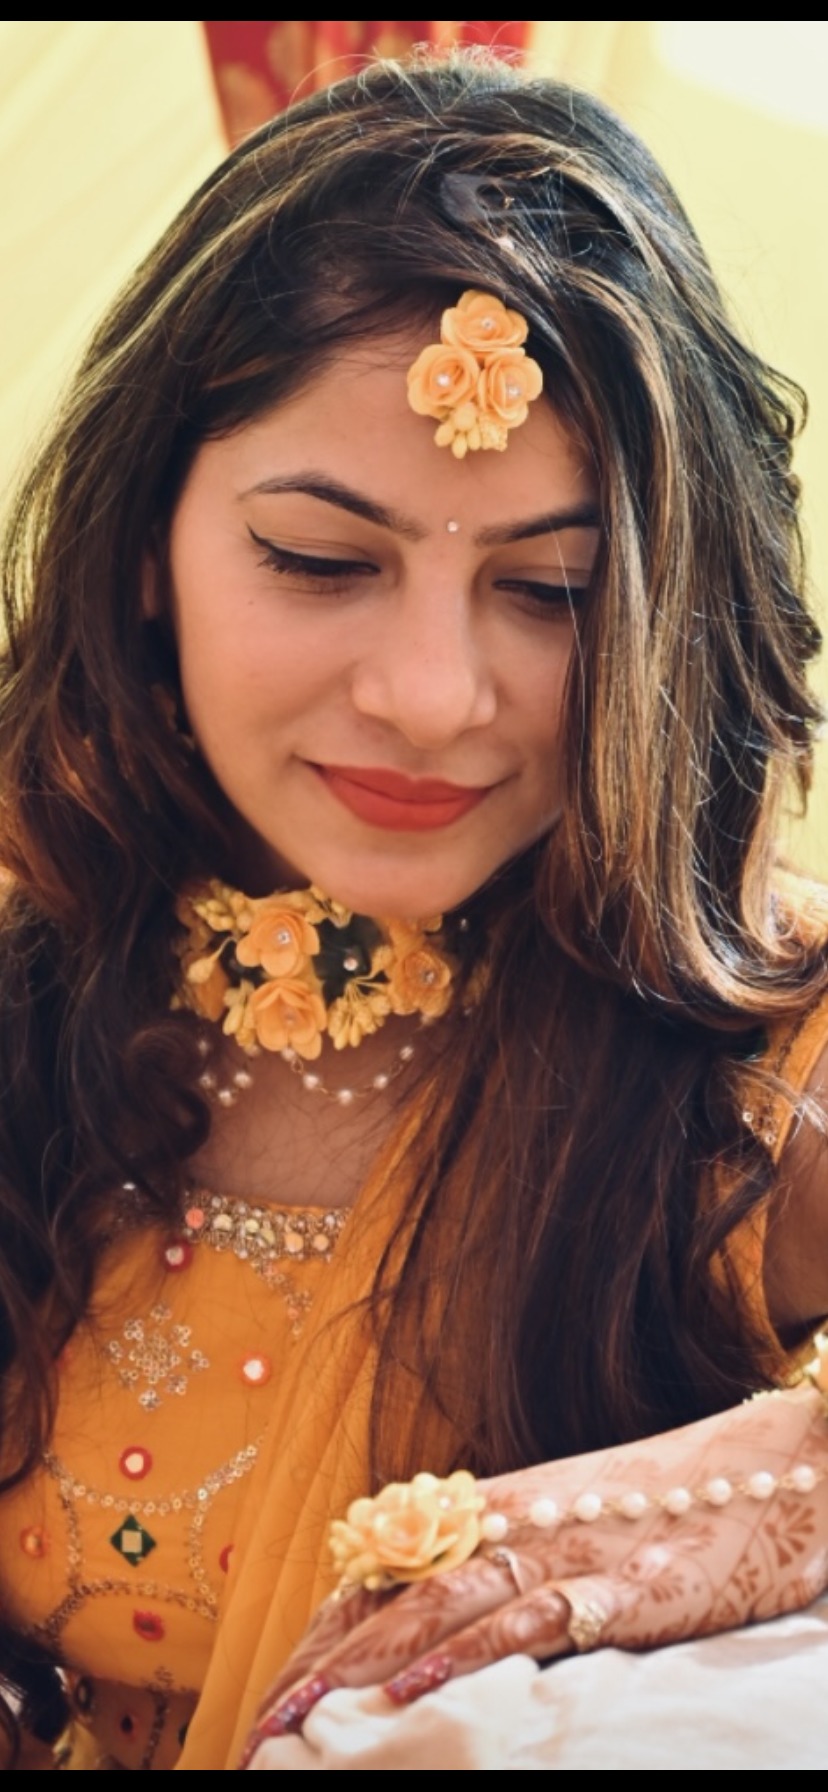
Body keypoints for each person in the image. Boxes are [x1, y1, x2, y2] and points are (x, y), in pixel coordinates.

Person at [1, 50, 827, 1772]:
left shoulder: (769, 1064)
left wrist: (775, 1487)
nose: (434, 695)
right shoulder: (34, 967)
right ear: (146, 548)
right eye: (321, 560)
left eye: (554, 589)